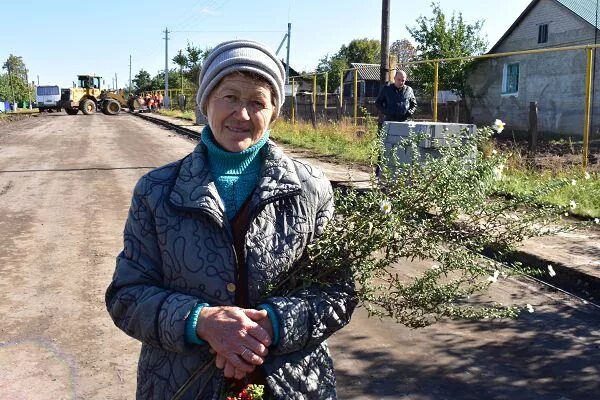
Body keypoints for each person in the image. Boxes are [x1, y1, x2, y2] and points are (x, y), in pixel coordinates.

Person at [106, 39, 357, 400]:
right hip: (182, 384)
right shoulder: (156, 191)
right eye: (229, 97)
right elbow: (127, 296)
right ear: (206, 101)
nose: (242, 114)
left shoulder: (311, 189)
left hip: (293, 385)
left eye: (257, 101)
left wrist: (274, 325)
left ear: (274, 112)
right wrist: (200, 322)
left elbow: (338, 292)